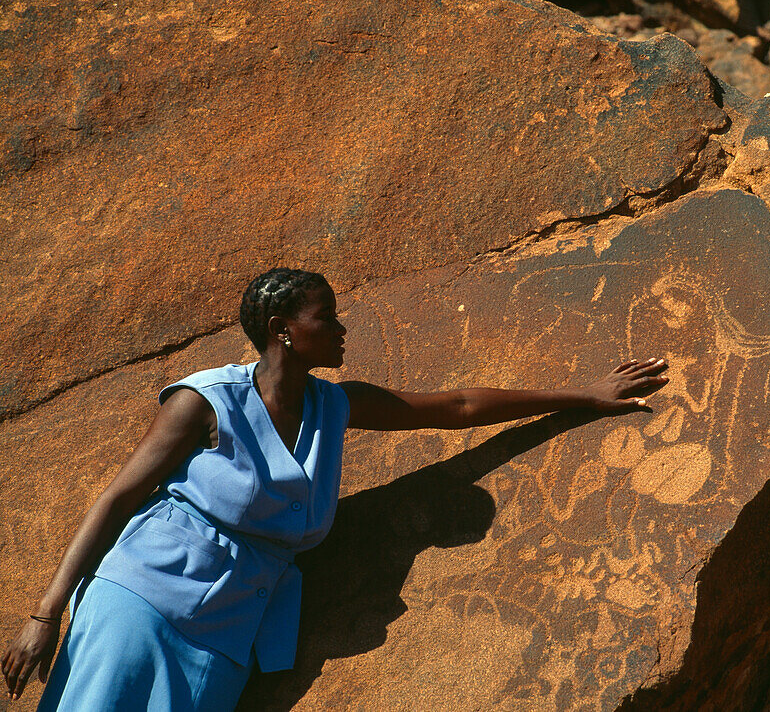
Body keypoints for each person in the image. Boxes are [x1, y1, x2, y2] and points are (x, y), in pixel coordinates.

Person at [2, 267, 669, 709]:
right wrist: (45, 615)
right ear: (284, 330)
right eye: (330, 316)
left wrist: (584, 392)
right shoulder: (206, 402)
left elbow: (457, 406)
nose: (344, 327)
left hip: (228, 627)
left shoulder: (334, 407)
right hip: (142, 598)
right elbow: (117, 498)